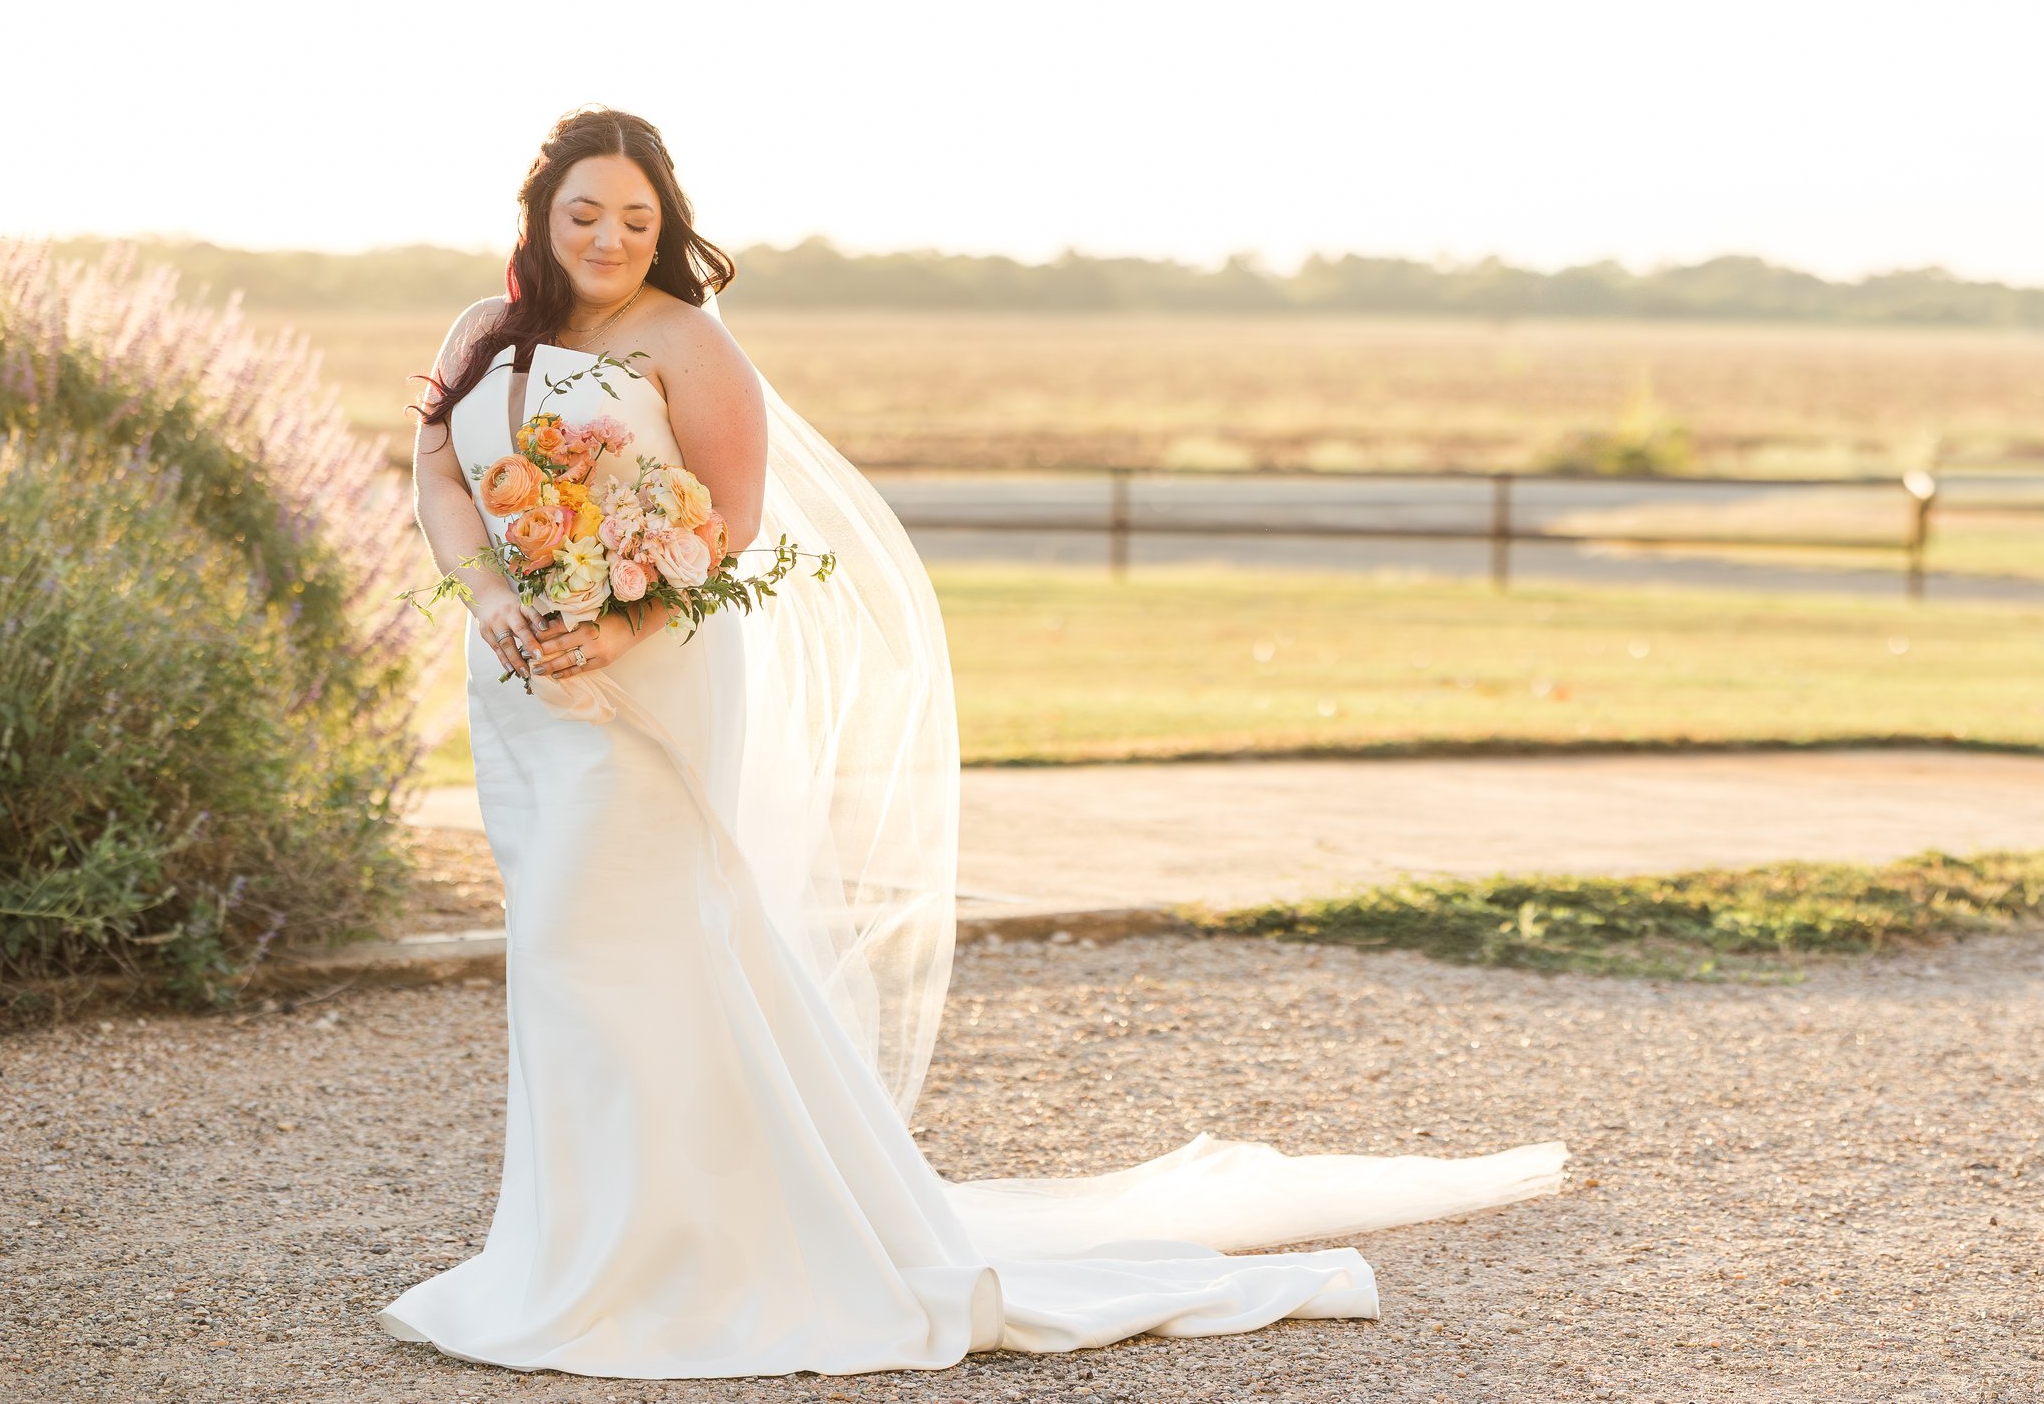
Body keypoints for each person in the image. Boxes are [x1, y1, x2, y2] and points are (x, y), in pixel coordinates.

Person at [385, 104, 1566, 1379]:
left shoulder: (687, 340)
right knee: (561, 950)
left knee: (626, 933)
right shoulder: (483, 330)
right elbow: (442, 476)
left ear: (664, 226)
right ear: (542, 214)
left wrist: (617, 626)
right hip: (519, 677)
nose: (609, 236)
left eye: (636, 216)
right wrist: (493, 596)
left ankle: (670, 1255)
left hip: (646, 680)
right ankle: (576, 1244)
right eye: (585, 212)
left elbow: (727, 521)